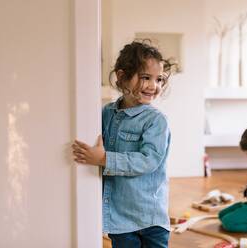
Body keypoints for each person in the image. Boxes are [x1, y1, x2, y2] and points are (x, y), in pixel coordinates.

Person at [72, 40, 174, 247]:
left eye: (159, 79)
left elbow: (149, 160)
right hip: (119, 218)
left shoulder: (156, 120)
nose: (154, 86)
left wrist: (104, 158)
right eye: (146, 77)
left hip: (150, 216)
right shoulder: (106, 113)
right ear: (122, 76)